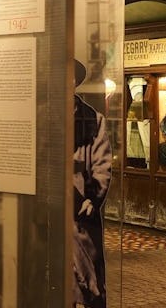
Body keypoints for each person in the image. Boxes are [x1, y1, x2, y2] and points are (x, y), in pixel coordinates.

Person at [73, 59, 112, 308]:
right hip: (51, 210)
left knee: (89, 282)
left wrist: (93, 198)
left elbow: (103, 166)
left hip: (81, 212)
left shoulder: (92, 119)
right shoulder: (43, 113)